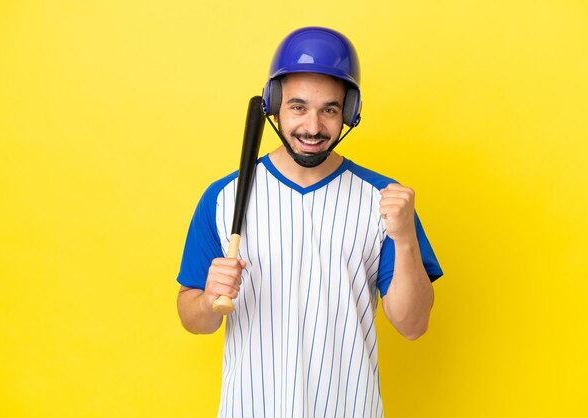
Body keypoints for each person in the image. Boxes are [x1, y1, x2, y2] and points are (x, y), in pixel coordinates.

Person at [176, 26, 443, 418]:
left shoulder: (386, 200)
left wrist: (404, 239)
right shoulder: (223, 197)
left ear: (349, 111)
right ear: (274, 105)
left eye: (329, 109)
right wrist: (208, 301)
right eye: (298, 107)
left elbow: (413, 325)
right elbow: (192, 319)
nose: (313, 127)